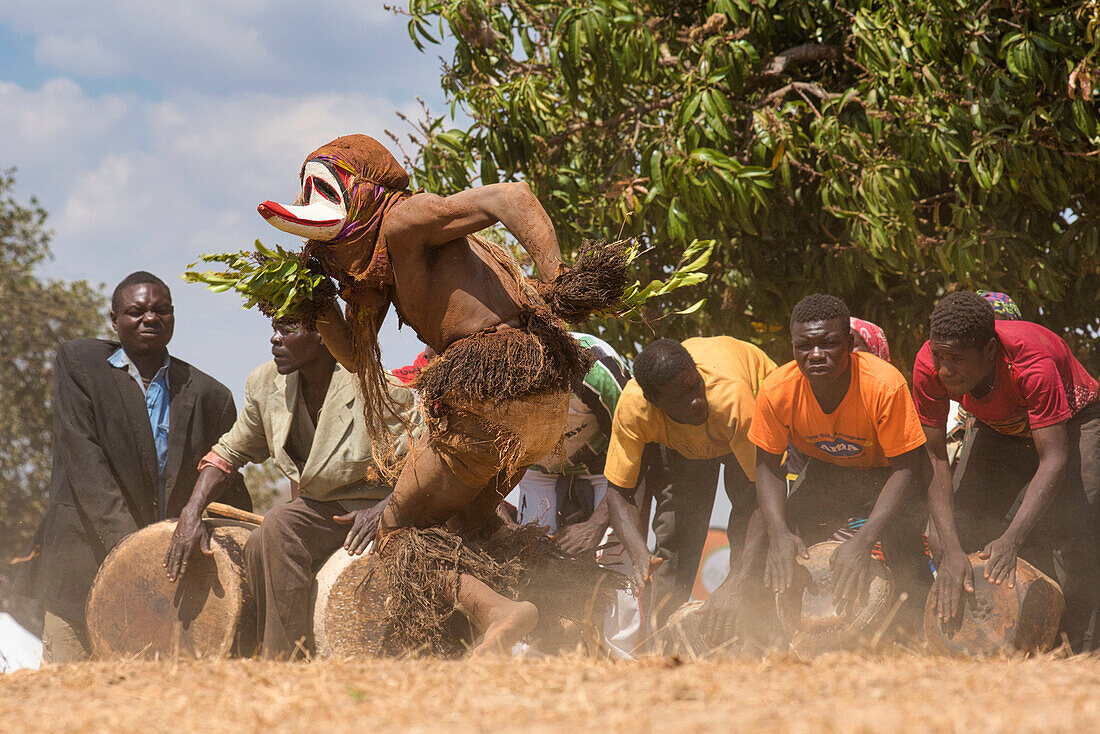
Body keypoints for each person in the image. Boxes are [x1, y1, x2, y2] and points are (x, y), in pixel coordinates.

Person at [257, 134, 626, 654]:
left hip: (490, 388)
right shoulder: (385, 266)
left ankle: (501, 612)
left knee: (393, 530)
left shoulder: (406, 222)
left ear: (361, 194)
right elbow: (361, 359)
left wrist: (559, 281)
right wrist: (317, 302)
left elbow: (511, 196)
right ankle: (559, 615)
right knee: (466, 525)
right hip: (540, 401)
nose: (330, 252)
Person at [15, 271, 249, 663]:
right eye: (136, 311)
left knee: (151, 699)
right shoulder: (80, 364)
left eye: (161, 311)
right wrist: (134, 553)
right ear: (114, 320)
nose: (149, 319)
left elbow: (226, 479)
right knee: (70, 692)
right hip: (84, 561)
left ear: (173, 316)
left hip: (168, 581)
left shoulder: (210, 394)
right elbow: (86, 465)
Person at [163, 318, 418, 659]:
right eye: (274, 328)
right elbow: (229, 451)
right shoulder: (265, 384)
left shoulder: (377, 387)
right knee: (256, 545)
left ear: (323, 335)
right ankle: (264, 652)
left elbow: (424, 462)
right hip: (321, 511)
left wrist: (383, 511)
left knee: (279, 525)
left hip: (381, 509)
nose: (274, 339)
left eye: (287, 330)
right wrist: (191, 510)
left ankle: (283, 664)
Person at [705, 295, 931, 645]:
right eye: (803, 346)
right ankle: (776, 642)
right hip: (827, 471)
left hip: (888, 476)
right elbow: (767, 467)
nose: (815, 355)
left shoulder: (884, 385)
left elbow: (907, 469)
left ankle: (915, 643)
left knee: (903, 550)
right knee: (778, 539)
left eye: (828, 344)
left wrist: (864, 540)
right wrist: (780, 533)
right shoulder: (778, 389)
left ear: (849, 343)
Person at [915, 290, 1100, 651]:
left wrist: (1012, 539)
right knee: (947, 531)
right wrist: (952, 549)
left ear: (989, 351)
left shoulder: (1030, 362)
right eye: (939, 355)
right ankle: (975, 643)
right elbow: (935, 458)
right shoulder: (927, 366)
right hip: (999, 425)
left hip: (1075, 421)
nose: (944, 369)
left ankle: (1080, 648)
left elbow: (1054, 459)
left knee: (1074, 526)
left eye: (956, 359)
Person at [603, 336, 777, 632]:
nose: (695, 402)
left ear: (696, 372)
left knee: (751, 536)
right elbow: (618, 492)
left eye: (694, 387)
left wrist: (737, 578)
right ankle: (662, 641)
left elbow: (762, 496)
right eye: (678, 399)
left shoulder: (730, 396)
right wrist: (638, 554)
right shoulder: (635, 409)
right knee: (674, 537)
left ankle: (754, 633)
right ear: (655, 404)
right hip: (688, 446)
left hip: (751, 421)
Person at [506, 331, 641, 655]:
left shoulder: (601, 375)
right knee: (529, 554)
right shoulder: (499, 379)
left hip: (603, 461)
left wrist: (596, 525)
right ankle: (528, 652)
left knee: (615, 549)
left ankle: (622, 656)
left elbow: (634, 458)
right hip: (537, 466)